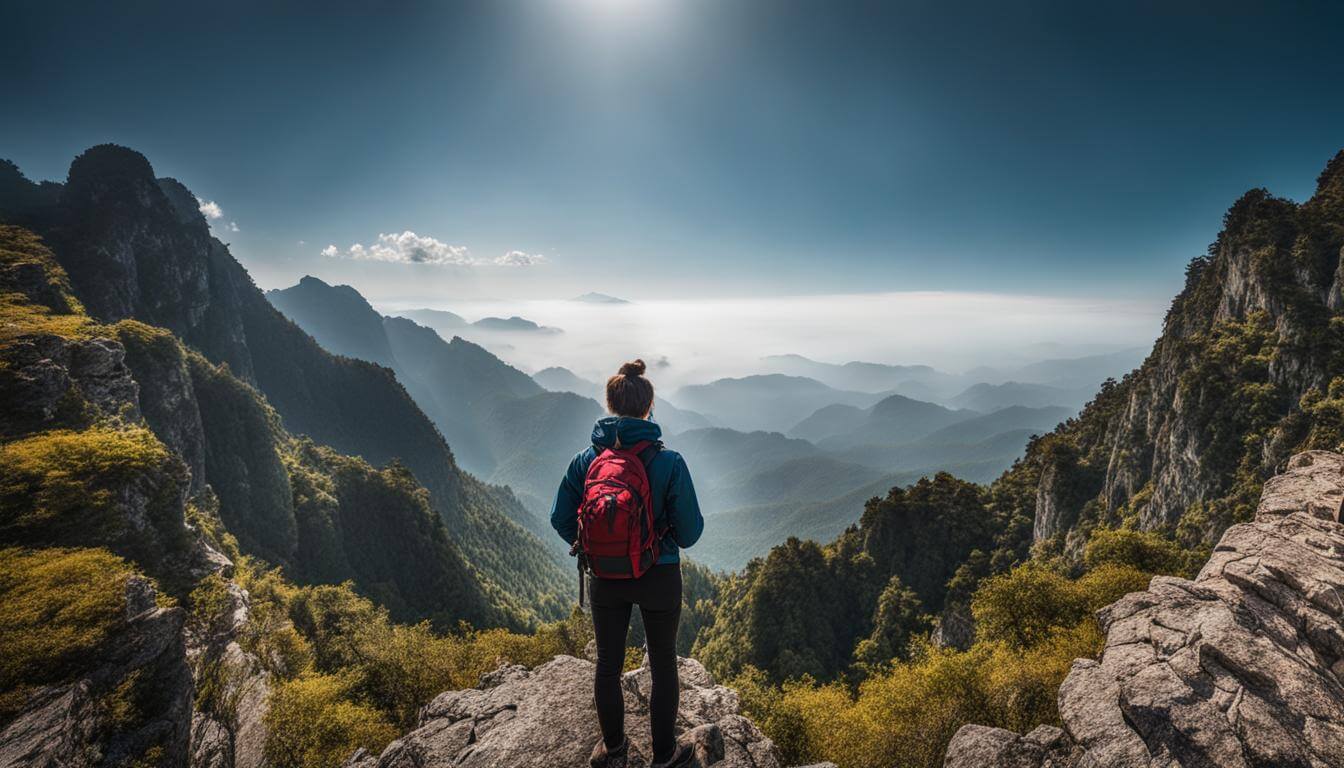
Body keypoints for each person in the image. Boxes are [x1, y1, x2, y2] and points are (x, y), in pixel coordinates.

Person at [551, 359, 704, 768]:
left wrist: (597, 547)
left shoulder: (585, 461)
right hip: (659, 575)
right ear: (648, 407)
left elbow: (560, 518)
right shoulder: (669, 462)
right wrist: (657, 538)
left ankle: (614, 749)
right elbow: (690, 534)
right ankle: (665, 755)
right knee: (663, 663)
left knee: (607, 664)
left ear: (611, 404)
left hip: (605, 576)